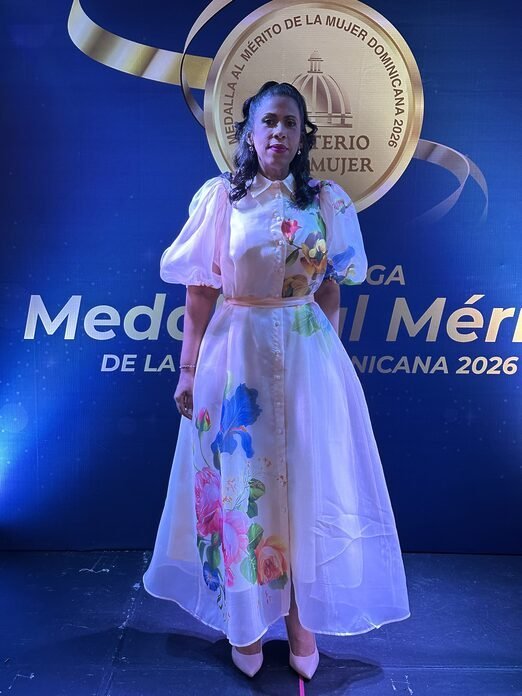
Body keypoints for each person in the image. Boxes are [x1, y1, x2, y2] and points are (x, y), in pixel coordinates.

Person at [142, 81, 410, 680]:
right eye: (269, 122)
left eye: (290, 123)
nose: (279, 133)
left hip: (307, 353)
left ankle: (302, 621)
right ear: (248, 132)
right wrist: (188, 368)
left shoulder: (326, 201)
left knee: (309, 483)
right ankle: (246, 623)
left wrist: (328, 361)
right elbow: (200, 292)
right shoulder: (221, 199)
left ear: (302, 134)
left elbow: (331, 287)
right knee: (244, 487)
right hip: (235, 354)